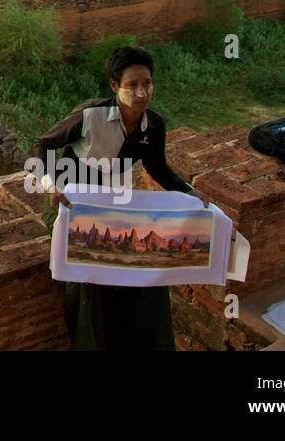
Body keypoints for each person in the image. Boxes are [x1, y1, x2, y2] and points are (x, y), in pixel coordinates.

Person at [34, 44, 205, 350]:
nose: (142, 93)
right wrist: (51, 184)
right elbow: (43, 144)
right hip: (74, 205)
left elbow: (157, 168)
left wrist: (191, 194)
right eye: (132, 85)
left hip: (114, 204)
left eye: (147, 84)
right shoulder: (91, 115)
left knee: (138, 274)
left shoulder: (153, 125)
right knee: (87, 284)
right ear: (115, 86)